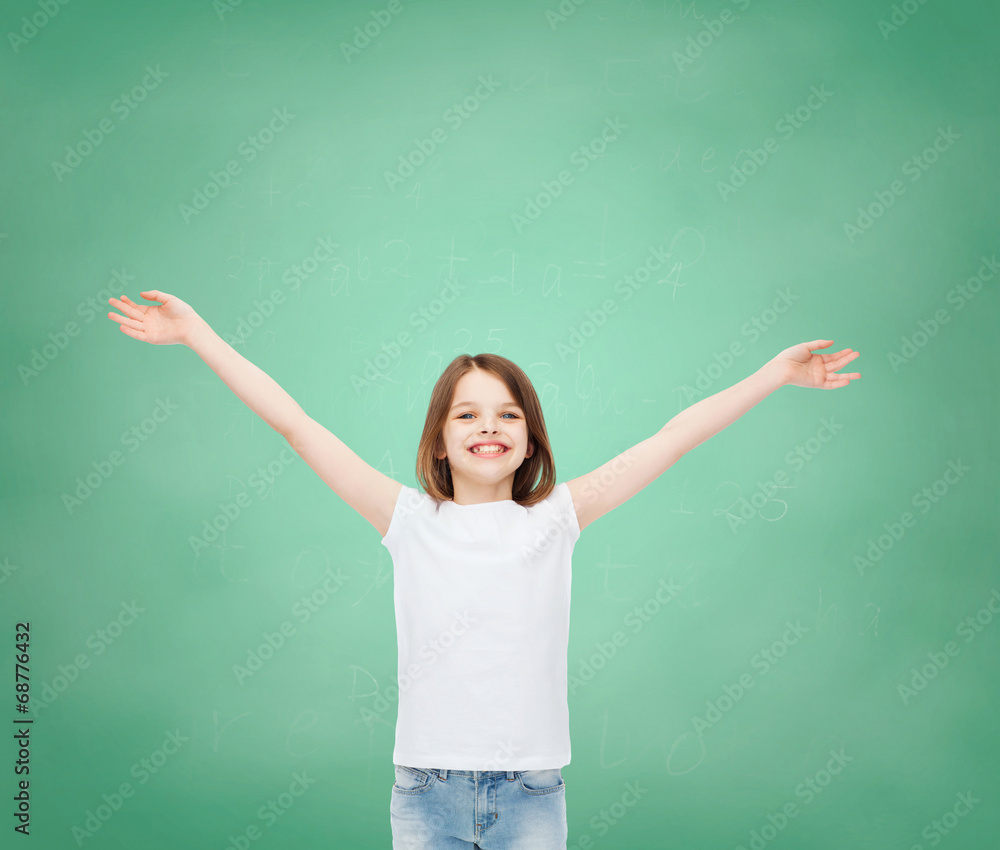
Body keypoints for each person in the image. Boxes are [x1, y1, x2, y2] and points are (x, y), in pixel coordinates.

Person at [107, 290, 861, 849]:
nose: (488, 426)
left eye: (506, 414)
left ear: (529, 441)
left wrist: (773, 375)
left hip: (533, 795)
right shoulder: (406, 520)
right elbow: (296, 425)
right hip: (426, 794)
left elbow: (671, 439)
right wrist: (197, 333)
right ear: (439, 441)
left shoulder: (557, 519)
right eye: (467, 414)